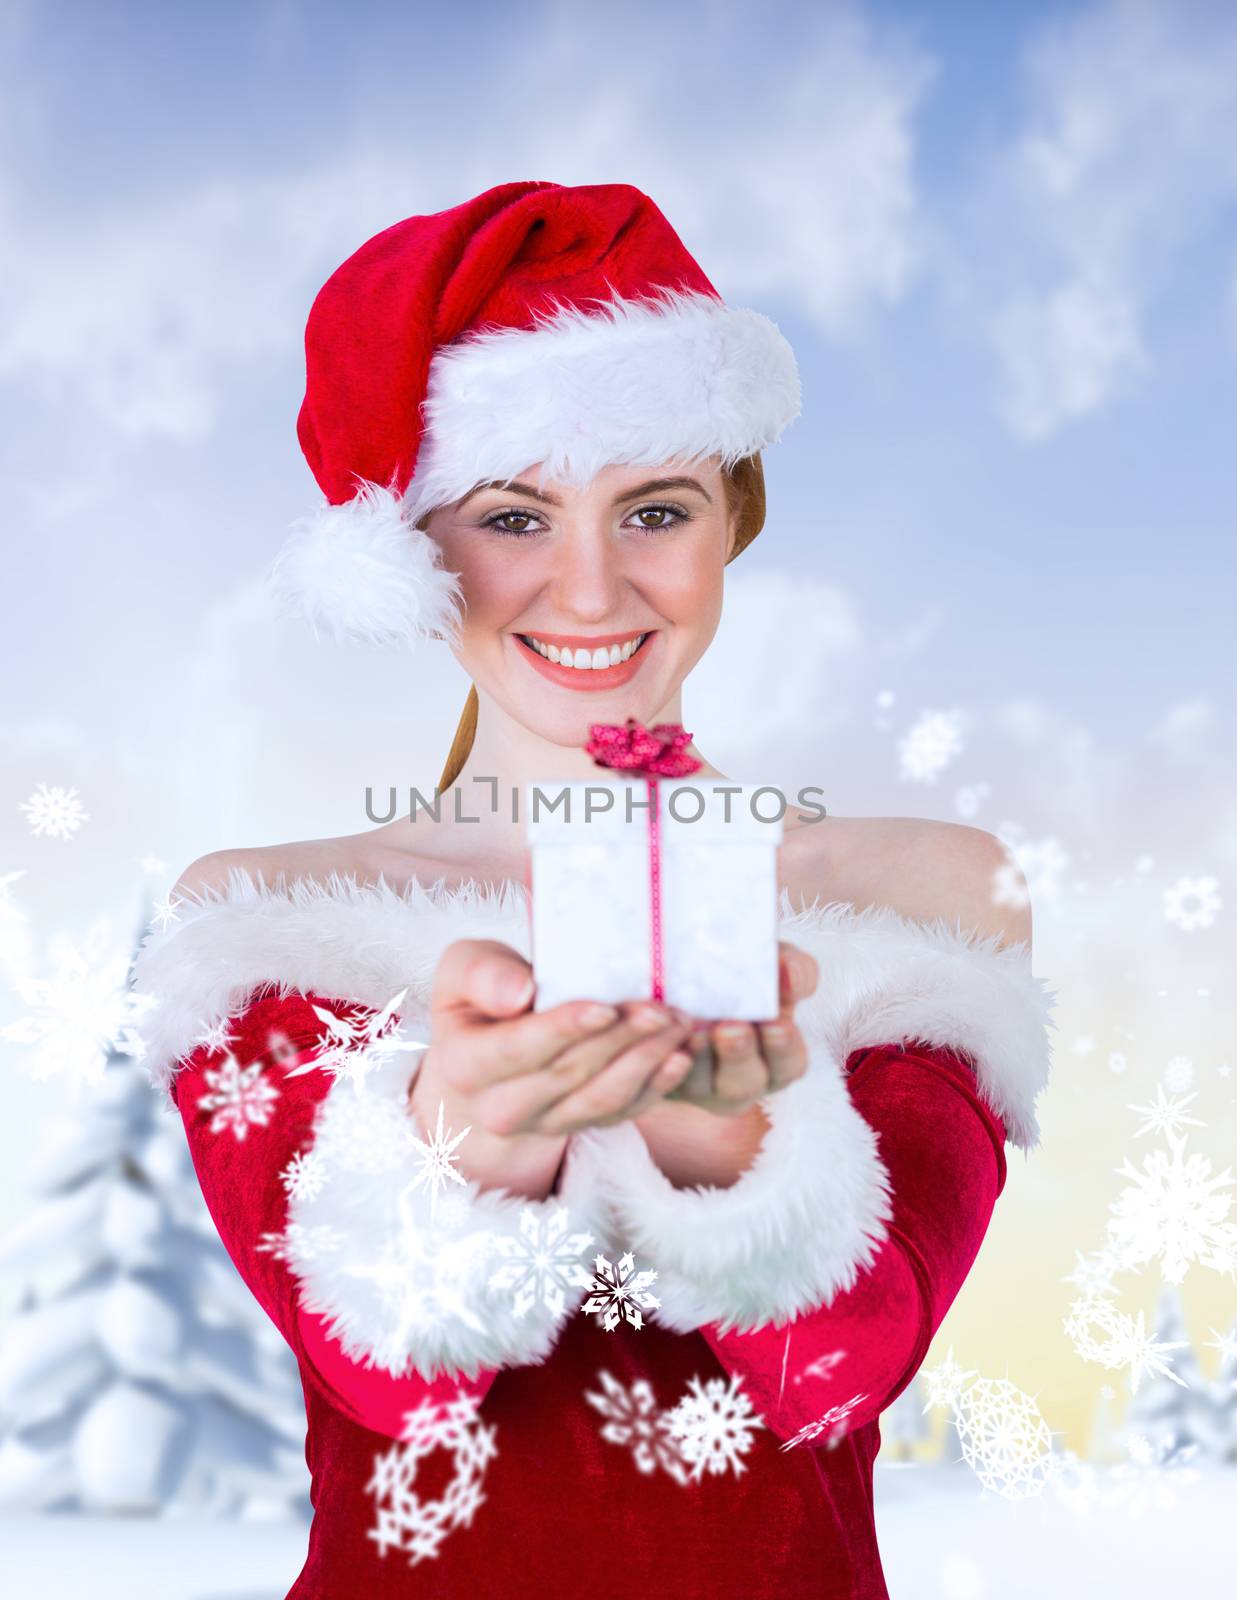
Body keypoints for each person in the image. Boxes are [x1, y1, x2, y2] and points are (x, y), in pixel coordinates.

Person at [129, 180, 1056, 1599]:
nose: (589, 591)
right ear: (414, 556)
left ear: (730, 514)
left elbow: (840, 1375)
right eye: (512, 517)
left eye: (654, 510)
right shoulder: (264, 926)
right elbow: (384, 1386)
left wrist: (730, 1146)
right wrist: (468, 1142)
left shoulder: (919, 902)